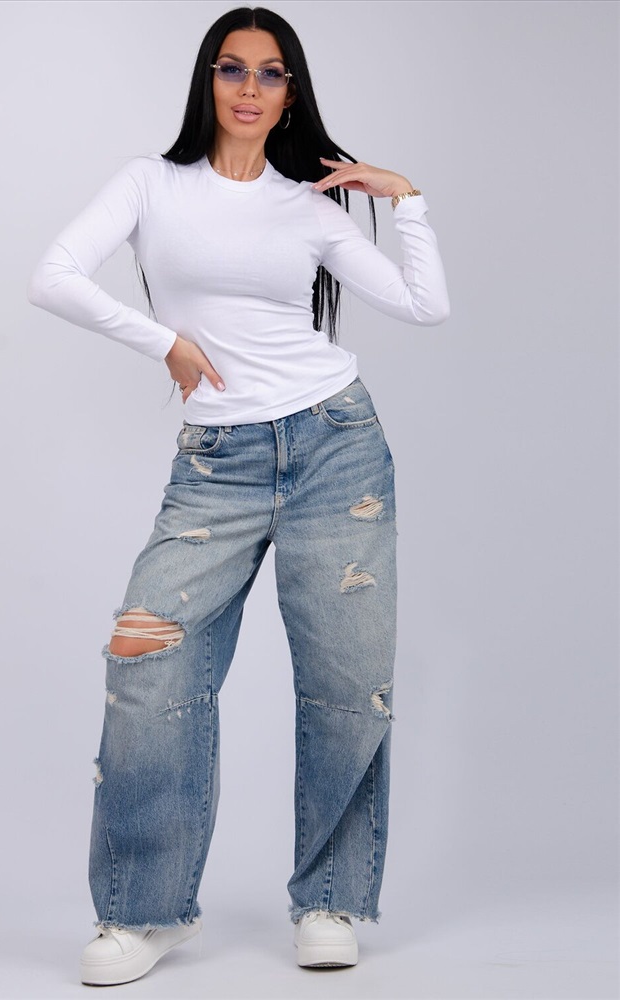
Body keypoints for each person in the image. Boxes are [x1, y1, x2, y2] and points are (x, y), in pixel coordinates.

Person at [28, 4, 449, 986]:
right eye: (232, 68)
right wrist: (165, 343)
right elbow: (54, 276)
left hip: (337, 447)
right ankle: (144, 911)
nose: (249, 88)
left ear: (290, 93)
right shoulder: (151, 183)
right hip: (216, 463)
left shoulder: (310, 207)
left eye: (269, 73)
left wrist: (408, 199)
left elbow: (425, 306)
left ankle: (331, 899)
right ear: (207, 80)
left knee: (346, 682)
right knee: (149, 669)